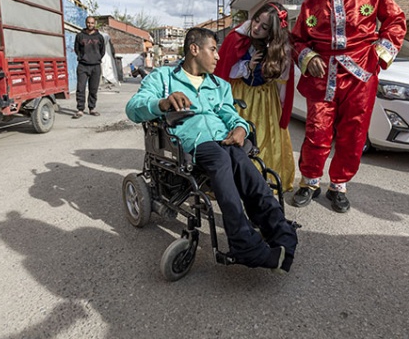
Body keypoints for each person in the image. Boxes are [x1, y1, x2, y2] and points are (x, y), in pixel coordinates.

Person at [125, 27, 297, 273]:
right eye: (213, 49)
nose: (218, 56)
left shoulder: (219, 85)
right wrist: (161, 103)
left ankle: (280, 231)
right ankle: (243, 243)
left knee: (247, 168)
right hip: (191, 141)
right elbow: (133, 108)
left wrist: (240, 128)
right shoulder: (163, 77)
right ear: (194, 49)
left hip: (223, 138)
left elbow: (230, 114)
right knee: (221, 160)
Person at [290, 0, 407, 213]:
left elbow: (395, 21)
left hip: (360, 75)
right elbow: (297, 40)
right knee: (317, 131)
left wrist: (379, 55)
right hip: (322, 76)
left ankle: (339, 185)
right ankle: (310, 182)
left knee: (353, 134)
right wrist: (307, 57)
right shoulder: (310, 4)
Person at [214, 2, 296, 193]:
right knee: (238, 135)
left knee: (266, 139)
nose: (256, 27)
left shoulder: (281, 47)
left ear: (272, 32)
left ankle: (261, 179)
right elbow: (224, 70)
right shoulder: (237, 37)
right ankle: (233, 179)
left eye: (264, 27)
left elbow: (284, 81)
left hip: (267, 100)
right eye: (256, 20)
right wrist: (247, 67)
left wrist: (283, 108)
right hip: (240, 95)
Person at [73, 16, 106, 118]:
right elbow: (76, 49)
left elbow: (102, 51)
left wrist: (96, 58)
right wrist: (82, 57)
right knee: (81, 88)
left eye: (92, 23)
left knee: (93, 89)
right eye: (88, 23)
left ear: (94, 24)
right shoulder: (80, 36)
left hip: (95, 66)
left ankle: (92, 108)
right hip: (83, 66)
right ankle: (80, 109)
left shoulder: (99, 37)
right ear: (85, 23)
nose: (90, 25)